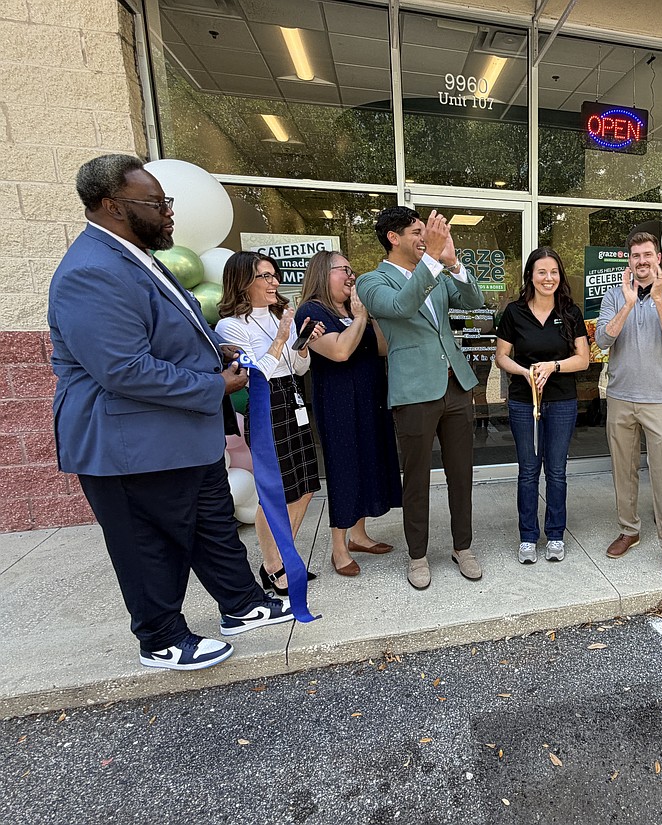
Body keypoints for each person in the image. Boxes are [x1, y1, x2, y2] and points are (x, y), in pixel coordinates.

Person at [48, 154, 292, 671]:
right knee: (148, 544)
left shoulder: (137, 255)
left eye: (167, 202)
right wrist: (214, 383)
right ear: (112, 206)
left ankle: (242, 605)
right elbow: (124, 369)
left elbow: (166, 332)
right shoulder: (92, 270)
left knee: (211, 525)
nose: (169, 213)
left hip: (181, 436)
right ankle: (160, 638)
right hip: (131, 447)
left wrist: (214, 352)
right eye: (156, 203)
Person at [357, 207, 485, 590]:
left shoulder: (436, 271)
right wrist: (431, 258)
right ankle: (418, 556)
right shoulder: (371, 280)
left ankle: (463, 547)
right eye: (416, 231)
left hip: (456, 386)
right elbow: (401, 307)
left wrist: (452, 261)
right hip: (414, 391)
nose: (424, 237)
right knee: (416, 478)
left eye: (425, 232)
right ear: (393, 237)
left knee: (461, 474)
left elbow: (473, 299)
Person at [215, 252, 326, 587]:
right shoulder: (230, 326)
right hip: (265, 405)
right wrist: (281, 338)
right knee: (274, 492)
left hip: (292, 396)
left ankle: (284, 554)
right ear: (242, 281)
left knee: (306, 485)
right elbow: (256, 374)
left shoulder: (279, 316)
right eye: (264, 276)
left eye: (273, 275)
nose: (273, 281)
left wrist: (303, 345)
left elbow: (298, 368)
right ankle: (273, 564)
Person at [296, 250, 403, 573]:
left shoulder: (355, 309)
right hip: (339, 404)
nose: (351, 276)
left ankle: (359, 535)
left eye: (351, 270)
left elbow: (383, 348)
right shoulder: (312, 311)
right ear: (322, 275)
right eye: (343, 270)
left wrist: (370, 316)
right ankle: (339, 548)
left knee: (369, 462)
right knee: (344, 470)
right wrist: (358, 318)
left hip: (371, 398)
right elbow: (340, 351)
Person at [596, 232, 662, 582]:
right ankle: (629, 530)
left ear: (659, 259)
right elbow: (603, 340)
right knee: (623, 470)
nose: (641, 261)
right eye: (636, 256)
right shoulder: (614, 294)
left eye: (647, 255)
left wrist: (660, 298)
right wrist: (627, 304)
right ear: (629, 261)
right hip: (621, 396)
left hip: (660, 399)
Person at [495, 247, 590, 563]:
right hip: (524, 403)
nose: (548, 278)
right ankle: (527, 537)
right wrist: (525, 372)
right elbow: (501, 357)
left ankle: (555, 535)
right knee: (528, 471)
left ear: (559, 276)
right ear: (531, 277)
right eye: (541, 272)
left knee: (557, 471)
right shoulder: (514, 312)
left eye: (553, 272)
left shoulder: (571, 312)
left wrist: (553, 366)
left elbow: (583, 359)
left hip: (562, 402)